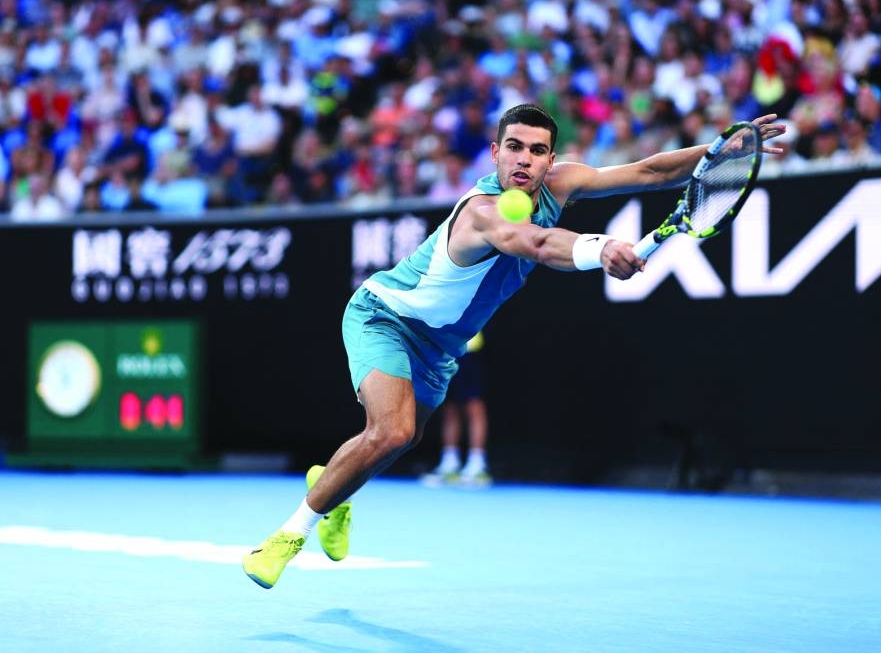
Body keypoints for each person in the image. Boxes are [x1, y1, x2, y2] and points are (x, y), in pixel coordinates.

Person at [241, 104, 785, 589]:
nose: (525, 160)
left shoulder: (561, 184)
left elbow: (648, 171)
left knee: (394, 438)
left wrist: (719, 150)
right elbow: (538, 242)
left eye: (538, 150)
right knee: (394, 430)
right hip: (386, 317)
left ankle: (332, 488)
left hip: (442, 345)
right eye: (515, 148)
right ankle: (288, 536)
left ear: (552, 159)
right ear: (496, 153)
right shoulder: (483, 210)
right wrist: (602, 248)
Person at [420, 331, 492, 487]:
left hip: (469, 349)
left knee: (474, 405)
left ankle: (477, 465)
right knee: (449, 406)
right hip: (444, 350)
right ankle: (449, 463)